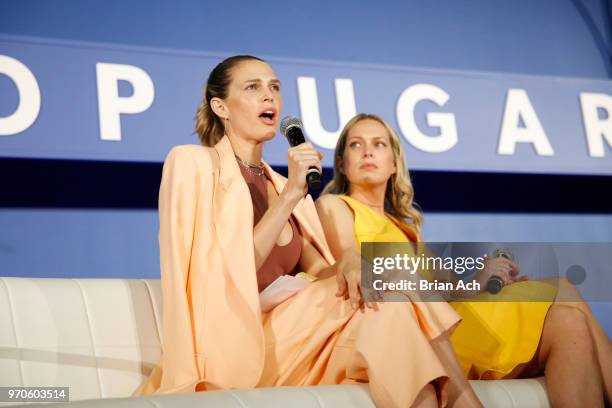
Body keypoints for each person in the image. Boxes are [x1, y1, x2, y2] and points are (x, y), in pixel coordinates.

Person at [133, 56, 465, 408]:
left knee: (394, 317)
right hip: (236, 344)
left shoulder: (287, 186)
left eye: (274, 87)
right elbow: (221, 274)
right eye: (253, 87)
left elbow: (320, 271)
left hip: (298, 336)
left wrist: (354, 264)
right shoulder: (194, 164)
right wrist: (291, 195)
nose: (269, 97)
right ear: (221, 107)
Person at [315, 113, 612, 408]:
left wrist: (482, 279)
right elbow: (349, 257)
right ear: (341, 163)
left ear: (394, 163)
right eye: (356, 144)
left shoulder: (406, 230)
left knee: (568, 309)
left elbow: (450, 292)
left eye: (379, 144)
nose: (368, 151)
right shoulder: (335, 205)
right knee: (563, 302)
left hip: (446, 322)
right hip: (411, 334)